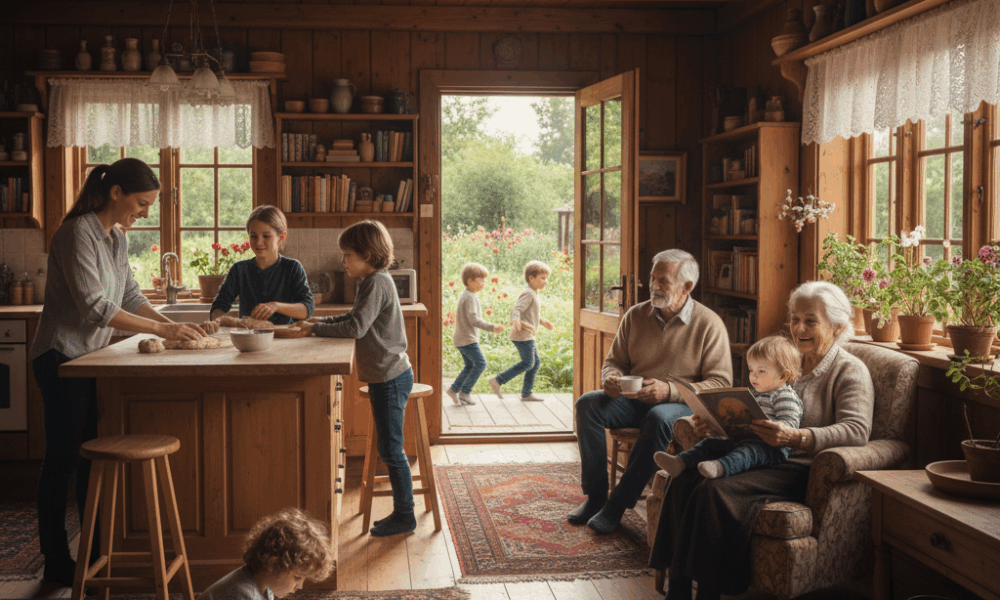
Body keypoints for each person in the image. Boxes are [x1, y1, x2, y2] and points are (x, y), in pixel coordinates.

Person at [30, 158, 206, 586]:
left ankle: (93, 555)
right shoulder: (76, 234)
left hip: (89, 359)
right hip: (59, 356)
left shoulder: (116, 238)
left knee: (91, 457)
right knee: (63, 459)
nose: (145, 211)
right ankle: (55, 559)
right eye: (142, 203)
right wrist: (163, 327)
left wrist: (174, 326)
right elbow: (97, 307)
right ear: (116, 193)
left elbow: (128, 295)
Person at [650, 280, 875, 600]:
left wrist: (799, 437)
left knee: (715, 489)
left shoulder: (850, 371)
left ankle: (709, 594)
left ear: (837, 327)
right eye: (795, 319)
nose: (799, 328)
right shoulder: (783, 358)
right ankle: (679, 588)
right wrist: (714, 422)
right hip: (755, 452)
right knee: (685, 476)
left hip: (800, 466)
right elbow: (754, 409)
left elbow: (856, 430)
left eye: (811, 320)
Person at [570, 249, 732, 535]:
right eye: (652, 278)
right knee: (587, 405)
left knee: (659, 417)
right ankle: (596, 497)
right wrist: (612, 378)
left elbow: (720, 383)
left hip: (680, 406)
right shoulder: (636, 315)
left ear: (687, 287)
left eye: (664, 281)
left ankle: (618, 504)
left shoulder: (709, 324)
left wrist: (669, 391)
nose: (654, 286)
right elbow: (614, 361)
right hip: (633, 400)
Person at [290, 220, 415, 536]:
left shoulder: (375, 282)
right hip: (387, 375)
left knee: (392, 450)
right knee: (390, 447)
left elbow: (356, 328)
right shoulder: (375, 281)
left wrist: (316, 327)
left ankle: (405, 515)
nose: (343, 261)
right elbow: (353, 317)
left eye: (347, 255)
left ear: (368, 255)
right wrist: (318, 322)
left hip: (389, 378)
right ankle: (403, 513)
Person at [653, 335, 802, 480]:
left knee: (748, 452)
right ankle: (680, 462)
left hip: (770, 449)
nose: (753, 376)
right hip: (743, 440)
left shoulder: (784, 396)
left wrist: (770, 426)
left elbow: (791, 426)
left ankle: (720, 467)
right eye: (751, 370)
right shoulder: (754, 393)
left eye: (761, 371)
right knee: (710, 444)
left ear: (783, 375)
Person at [210, 206, 314, 327]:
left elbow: (307, 309)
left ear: (281, 238)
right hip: (249, 339)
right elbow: (218, 307)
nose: (259, 242)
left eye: (266, 236)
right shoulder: (239, 270)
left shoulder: (292, 268)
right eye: (253, 236)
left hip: (285, 338)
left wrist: (276, 306)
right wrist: (221, 320)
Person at [200, 507, 333, 600]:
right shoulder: (242, 595)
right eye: (297, 577)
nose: (300, 586)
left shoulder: (262, 584)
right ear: (273, 564)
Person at [488, 260, 553, 402]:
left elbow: (530, 314)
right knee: (529, 363)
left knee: (535, 363)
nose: (546, 281)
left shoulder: (535, 293)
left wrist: (542, 321)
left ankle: (526, 393)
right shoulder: (528, 293)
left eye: (546, 278)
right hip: (522, 336)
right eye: (543, 278)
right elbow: (516, 310)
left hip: (528, 335)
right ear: (531, 278)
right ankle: (497, 380)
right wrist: (517, 321)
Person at [448, 262, 504, 406]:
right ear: (470, 281)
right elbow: (474, 320)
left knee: (469, 365)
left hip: (462, 338)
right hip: (467, 340)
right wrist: (492, 327)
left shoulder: (468, 294)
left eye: (484, 280)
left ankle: (453, 390)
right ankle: (465, 393)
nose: (483, 284)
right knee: (480, 363)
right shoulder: (470, 297)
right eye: (481, 280)